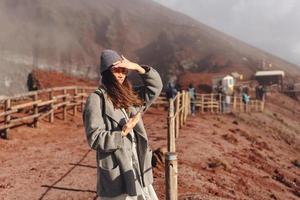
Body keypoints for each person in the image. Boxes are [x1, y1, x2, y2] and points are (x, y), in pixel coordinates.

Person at [83, 49, 162, 200]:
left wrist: (138, 68)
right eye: (116, 70)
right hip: (117, 169)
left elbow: (155, 88)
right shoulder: (96, 99)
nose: (120, 74)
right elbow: (94, 137)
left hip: (136, 163)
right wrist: (123, 133)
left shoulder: (129, 96)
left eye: (124, 70)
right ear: (106, 72)